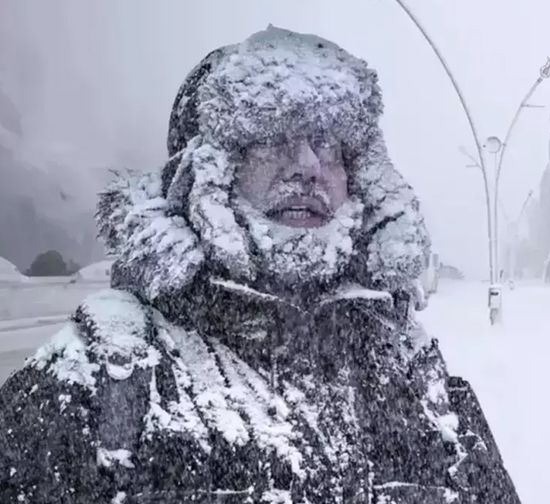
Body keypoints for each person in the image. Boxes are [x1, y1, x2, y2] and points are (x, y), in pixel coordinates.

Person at [0, 27, 520, 503]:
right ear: (205, 172)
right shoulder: (103, 374)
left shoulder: (404, 359)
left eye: (329, 145)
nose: (310, 166)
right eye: (272, 139)